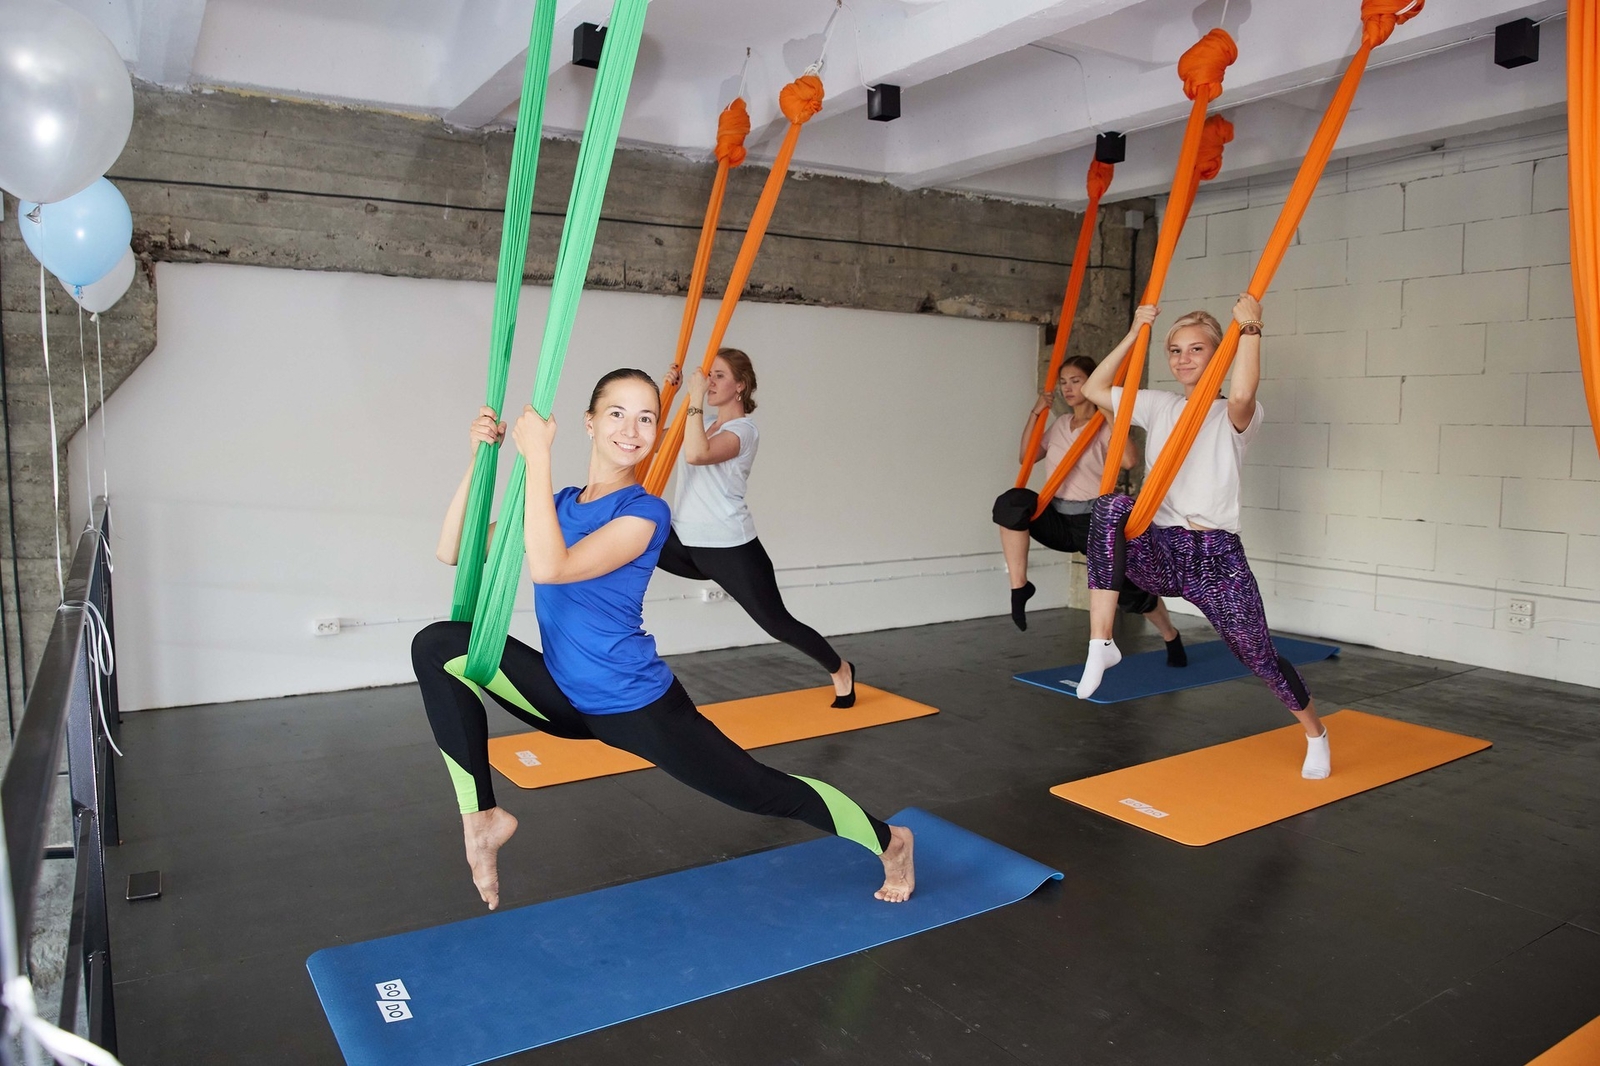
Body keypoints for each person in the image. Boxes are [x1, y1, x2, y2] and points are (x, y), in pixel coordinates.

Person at [411, 369, 914, 910]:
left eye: (646, 418)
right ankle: (482, 816)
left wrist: (536, 458)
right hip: (564, 697)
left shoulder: (645, 512)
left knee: (761, 791)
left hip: (636, 705)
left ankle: (892, 841)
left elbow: (553, 567)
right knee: (437, 645)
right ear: (589, 422)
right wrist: (478, 461)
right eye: (617, 414)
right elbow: (454, 550)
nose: (632, 429)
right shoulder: (554, 505)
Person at [1076, 298, 1330, 779]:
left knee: (1259, 657)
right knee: (1110, 506)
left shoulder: (1234, 416)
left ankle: (1315, 734)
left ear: (1219, 354)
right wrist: (1134, 333)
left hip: (1215, 560)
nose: (1183, 358)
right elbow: (1094, 388)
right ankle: (1101, 642)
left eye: (1196, 349)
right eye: (1175, 350)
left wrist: (1250, 328)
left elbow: (1242, 394)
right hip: (1161, 549)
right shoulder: (1160, 405)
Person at [658, 350, 857, 706]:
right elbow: (653, 441)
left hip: (729, 548)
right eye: (709, 375)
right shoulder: (701, 422)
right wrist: (667, 393)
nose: (710, 381)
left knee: (778, 624)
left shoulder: (744, 431)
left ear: (740, 386)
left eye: (720, 376)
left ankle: (840, 669)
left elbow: (697, 454)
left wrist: (696, 397)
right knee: (635, 528)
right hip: (685, 542)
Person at [991, 355, 1187, 666]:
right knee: (1011, 502)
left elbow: (1130, 460)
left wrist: (1109, 414)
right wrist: (1036, 412)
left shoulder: (1102, 426)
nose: (1067, 388)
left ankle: (1170, 636)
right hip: (1057, 518)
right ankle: (1020, 586)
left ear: (1091, 383)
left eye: (1076, 381)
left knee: (1131, 591)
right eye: (1063, 382)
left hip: (1095, 523)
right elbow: (1026, 456)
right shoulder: (1060, 425)